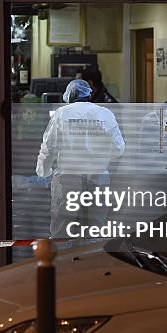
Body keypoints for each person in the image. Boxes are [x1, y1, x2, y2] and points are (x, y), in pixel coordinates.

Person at [35, 80, 125, 238]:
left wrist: (43, 171)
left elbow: (49, 147)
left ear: (69, 95)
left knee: (62, 229)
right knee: (95, 230)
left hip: (68, 178)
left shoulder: (62, 114)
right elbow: (118, 149)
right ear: (89, 94)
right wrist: (98, 157)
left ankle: (63, 262)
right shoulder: (105, 114)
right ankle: (90, 262)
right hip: (98, 177)